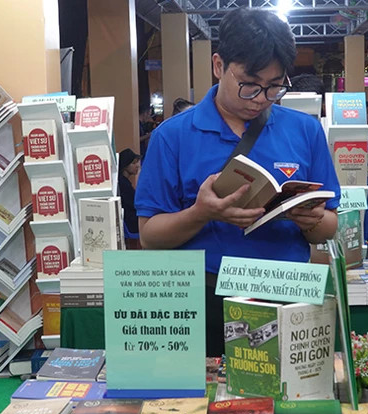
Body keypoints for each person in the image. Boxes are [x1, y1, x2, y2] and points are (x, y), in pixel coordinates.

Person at [135, 8, 340, 356]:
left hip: (288, 295)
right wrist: (201, 213)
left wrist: (312, 221)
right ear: (218, 65)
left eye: (275, 86)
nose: (261, 98)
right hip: (206, 298)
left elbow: (330, 226)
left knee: (294, 406)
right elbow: (149, 237)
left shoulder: (304, 130)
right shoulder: (172, 137)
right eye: (249, 84)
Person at [118, 148, 141, 236]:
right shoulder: (123, 184)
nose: (137, 166)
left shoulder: (123, 182)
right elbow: (134, 204)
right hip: (131, 223)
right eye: (133, 163)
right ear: (125, 165)